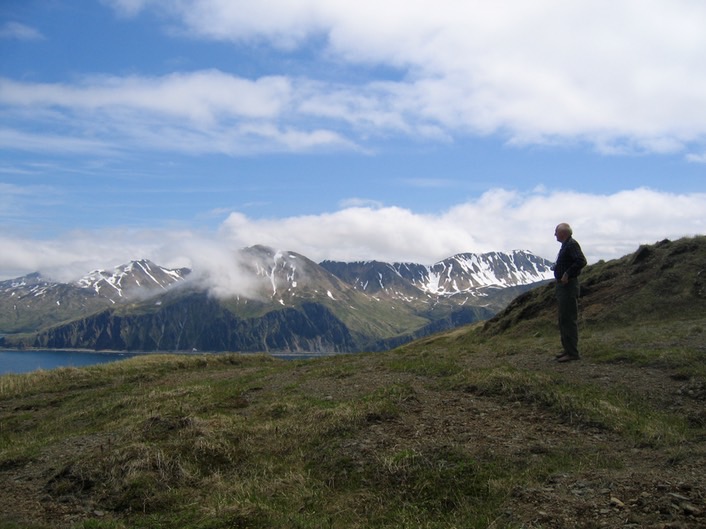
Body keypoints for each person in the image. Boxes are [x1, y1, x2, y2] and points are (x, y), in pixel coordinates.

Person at [553, 223, 587, 362]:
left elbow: (581, 261)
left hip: (568, 286)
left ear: (563, 233)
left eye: (556, 232)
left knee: (568, 319)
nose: (554, 234)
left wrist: (567, 273)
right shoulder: (566, 245)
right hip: (563, 286)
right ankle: (567, 349)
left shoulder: (571, 244)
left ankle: (572, 353)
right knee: (563, 319)